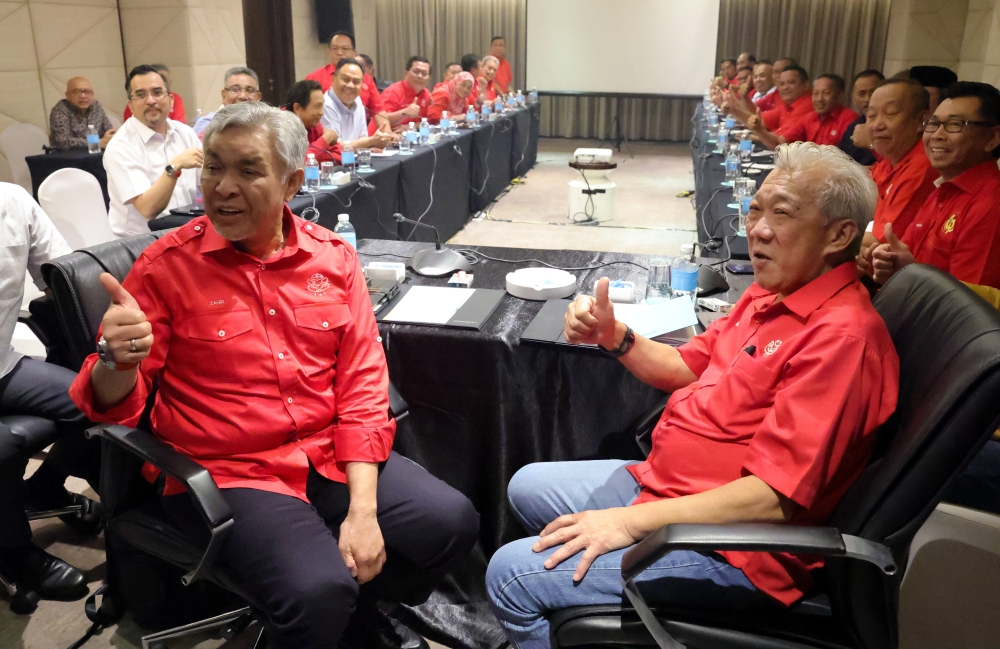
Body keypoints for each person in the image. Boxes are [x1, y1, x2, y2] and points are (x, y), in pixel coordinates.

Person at [70, 101, 479, 649]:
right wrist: (116, 361)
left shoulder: (332, 259)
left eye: (248, 170)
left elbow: (361, 384)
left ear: (291, 183)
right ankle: (325, 617)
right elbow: (112, 405)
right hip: (228, 471)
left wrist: (362, 510)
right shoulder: (167, 267)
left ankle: (353, 613)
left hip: (328, 455)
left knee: (451, 523)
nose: (223, 187)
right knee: (316, 591)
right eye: (213, 167)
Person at [486, 142, 898, 648]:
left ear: (840, 235)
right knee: (527, 484)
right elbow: (686, 365)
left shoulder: (841, 340)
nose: (759, 229)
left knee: (509, 576)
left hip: (735, 550)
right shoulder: (771, 291)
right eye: (756, 210)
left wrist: (629, 522)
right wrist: (614, 337)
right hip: (672, 489)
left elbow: (773, 500)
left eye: (783, 214)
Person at [0, 183, 102, 605]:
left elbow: (62, 279)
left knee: (100, 401)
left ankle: (46, 487)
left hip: (5, 366)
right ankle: (15, 553)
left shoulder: (12, 202)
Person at [872, 81, 1000, 289]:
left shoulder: (990, 204)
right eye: (933, 124)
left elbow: (968, 306)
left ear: (992, 138)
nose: (937, 135)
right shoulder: (943, 189)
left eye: (954, 124)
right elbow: (906, 258)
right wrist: (890, 263)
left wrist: (909, 275)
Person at [103, 65, 202, 238]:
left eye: (157, 92)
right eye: (141, 95)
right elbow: (147, 209)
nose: (151, 100)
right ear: (131, 105)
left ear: (171, 100)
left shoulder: (185, 133)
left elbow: (208, 183)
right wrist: (175, 166)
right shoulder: (121, 145)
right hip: (139, 245)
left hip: (186, 235)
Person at [857, 79, 936, 256]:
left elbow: (883, 241)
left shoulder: (923, 166)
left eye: (890, 113)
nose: (877, 125)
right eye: (871, 116)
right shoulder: (890, 158)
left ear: (922, 121)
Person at [306, 32, 390, 132]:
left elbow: (378, 110)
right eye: (335, 48)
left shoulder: (366, 78)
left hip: (356, 134)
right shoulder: (314, 77)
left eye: (345, 49)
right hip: (324, 134)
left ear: (354, 52)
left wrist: (388, 135)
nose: (340, 52)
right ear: (328, 52)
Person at [752, 74, 858, 149]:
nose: (819, 99)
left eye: (826, 93)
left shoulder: (849, 119)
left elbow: (846, 160)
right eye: (816, 94)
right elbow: (779, 142)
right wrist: (758, 130)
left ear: (839, 96)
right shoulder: (810, 118)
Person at [321, 59, 394, 151]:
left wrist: (371, 146)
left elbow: (361, 138)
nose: (350, 85)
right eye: (346, 79)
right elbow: (334, 147)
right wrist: (370, 142)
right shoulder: (325, 105)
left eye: (356, 82)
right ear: (334, 79)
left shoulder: (357, 100)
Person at [48, 77, 116, 149]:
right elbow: (62, 141)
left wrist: (111, 136)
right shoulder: (60, 109)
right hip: (67, 157)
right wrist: (96, 143)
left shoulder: (96, 106)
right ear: (67, 95)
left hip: (95, 153)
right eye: (77, 91)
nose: (83, 96)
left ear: (92, 94)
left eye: (87, 92)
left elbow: (109, 130)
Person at [193, 67, 261, 136]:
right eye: (235, 89)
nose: (243, 96)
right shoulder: (207, 124)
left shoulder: (266, 126)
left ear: (258, 97)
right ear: (224, 96)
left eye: (250, 90)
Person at [285, 79, 340, 164]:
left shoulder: (313, 123)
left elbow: (338, 155)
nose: (322, 112)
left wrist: (315, 156)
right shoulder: (281, 128)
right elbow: (296, 164)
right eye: (317, 106)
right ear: (298, 108)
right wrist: (325, 139)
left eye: (322, 106)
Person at [839, 69, 885, 166]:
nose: (868, 99)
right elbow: (840, 161)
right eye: (862, 94)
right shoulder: (854, 127)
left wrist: (871, 144)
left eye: (873, 92)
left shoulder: (892, 126)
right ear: (853, 98)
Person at [380, 57, 433, 129]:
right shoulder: (393, 91)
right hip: (385, 135)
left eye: (424, 73)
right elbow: (381, 119)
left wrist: (411, 127)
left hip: (408, 136)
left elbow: (426, 121)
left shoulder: (426, 94)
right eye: (416, 71)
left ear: (429, 78)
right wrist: (405, 112)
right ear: (406, 73)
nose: (420, 76)